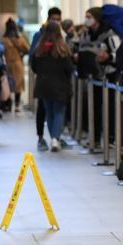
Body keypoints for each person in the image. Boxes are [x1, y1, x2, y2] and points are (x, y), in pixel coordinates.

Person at [75, 6, 122, 149]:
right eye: (86, 16)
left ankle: (110, 138)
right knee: (93, 107)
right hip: (92, 76)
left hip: (108, 75)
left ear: (97, 18)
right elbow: (81, 48)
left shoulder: (110, 35)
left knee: (109, 108)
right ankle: (94, 138)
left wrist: (108, 57)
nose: (87, 20)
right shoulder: (86, 34)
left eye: (89, 17)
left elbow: (118, 54)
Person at [31, 21, 74, 152]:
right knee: (59, 112)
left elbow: (34, 67)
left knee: (49, 112)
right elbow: (69, 68)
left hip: (43, 85)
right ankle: (55, 139)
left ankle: (53, 138)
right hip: (60, 85)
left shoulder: (39, 49)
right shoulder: (63, 48)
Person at [1, 19, 30, 113]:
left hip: (7, 64)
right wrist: (22, 54)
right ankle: (16, 105)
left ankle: (8, 105)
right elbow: (27, 49)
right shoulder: (19, 38)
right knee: (17, 85)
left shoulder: (3, 39)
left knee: (8, 85)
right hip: (17, 64)